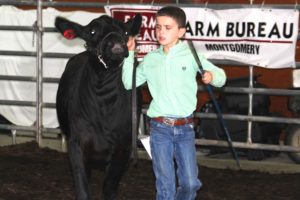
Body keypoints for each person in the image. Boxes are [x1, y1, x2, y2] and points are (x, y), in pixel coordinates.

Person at [122, 6, 226, 200]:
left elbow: (221, 78)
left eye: (167, 27)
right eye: (158, 27)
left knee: (191, 183)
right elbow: (129, 83)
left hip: (185, 128)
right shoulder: (151, 59)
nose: (161, 32)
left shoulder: (191, 54)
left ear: (181, 31)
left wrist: (212, 75)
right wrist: (129, 54)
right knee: (165, 186)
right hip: (159, 128)